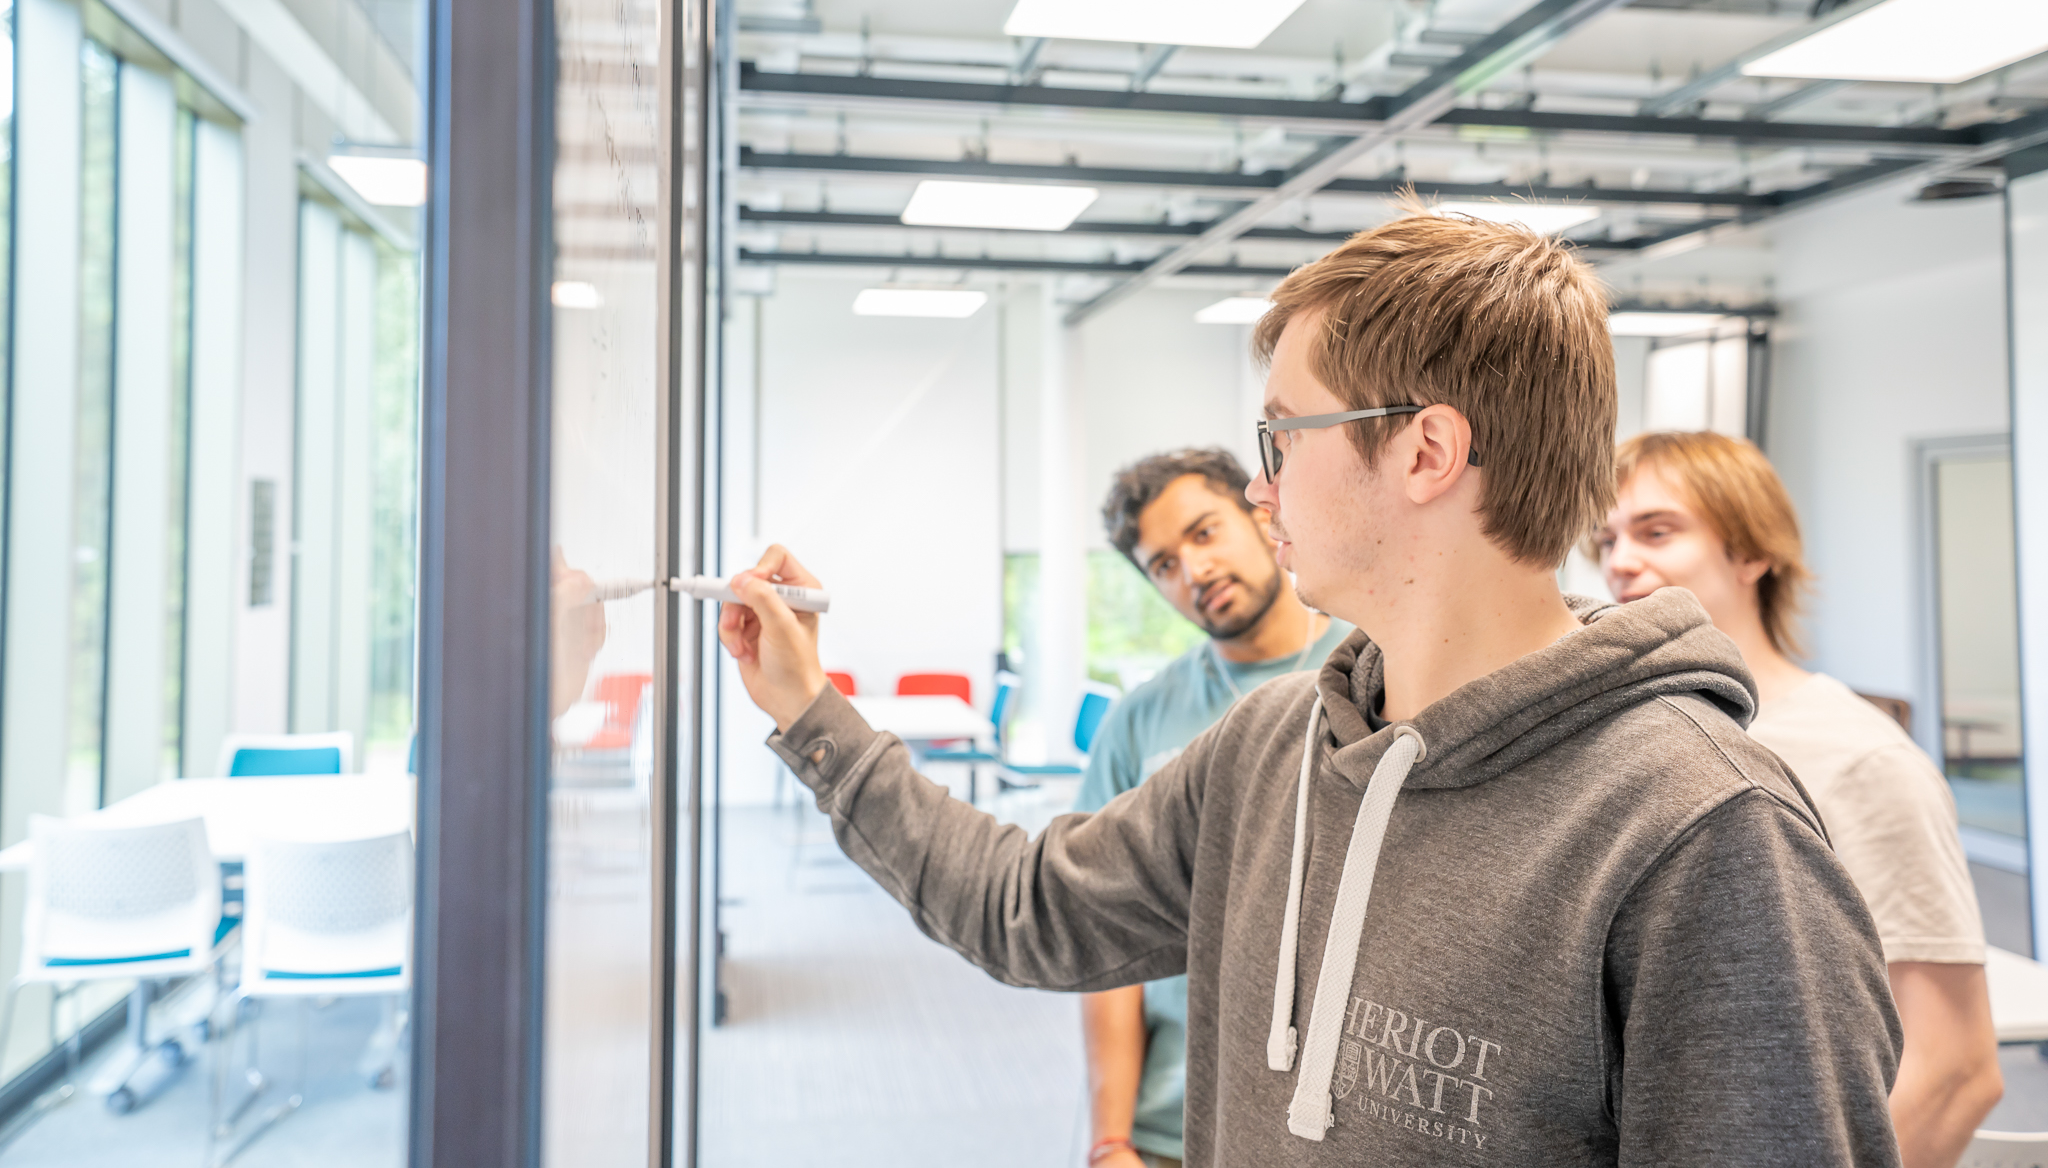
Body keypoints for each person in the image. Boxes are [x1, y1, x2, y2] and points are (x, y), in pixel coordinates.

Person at [718, 205, 1903, 1166]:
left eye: (1281, 436)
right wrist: (812, 715)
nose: (1263, 488)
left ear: (1424, 451)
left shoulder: (1706, 835)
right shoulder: (1269, 746)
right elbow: (1025, 907)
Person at [1594, 430, 2002, 1168]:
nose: (1620, 561)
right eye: (1607, 539)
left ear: (1752, 552)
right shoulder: (1634, 737)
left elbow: (1956, 1071)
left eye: (1658, 531)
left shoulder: (1863, 759)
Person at [1080, 448, 1352, 1168]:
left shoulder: (1370, 677)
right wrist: (1111, 1140)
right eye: (1163, 564)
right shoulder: (1137, 723)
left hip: (1340, 1119)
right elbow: (1107, 947)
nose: (1193, 571)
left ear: (1263, 515)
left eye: (1204, 533)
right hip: (1177, 1120)